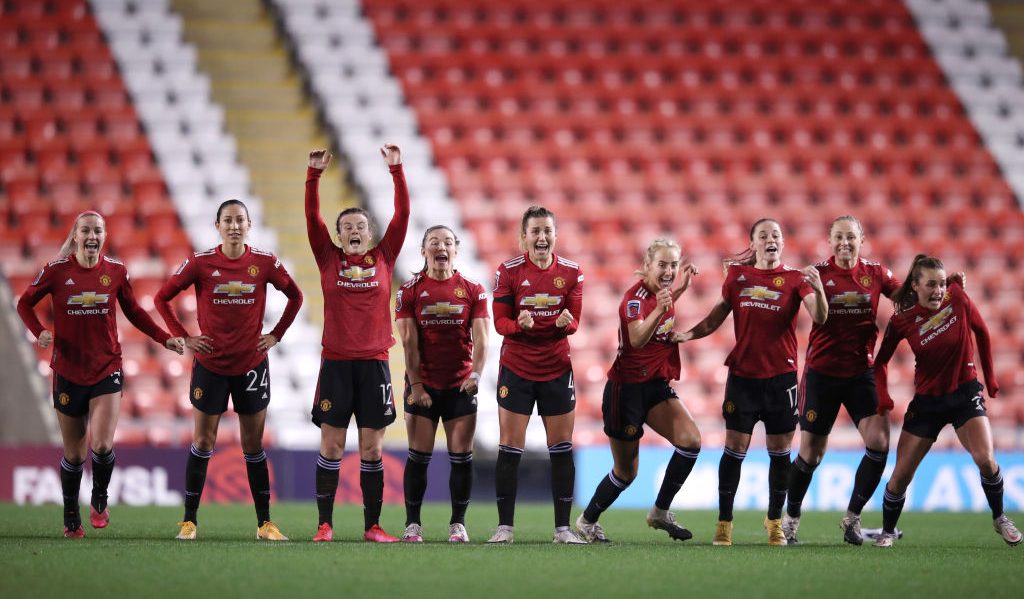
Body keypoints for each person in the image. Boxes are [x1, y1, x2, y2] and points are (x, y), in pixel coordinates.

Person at [16, 210, 185, 538]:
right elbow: (24, 304)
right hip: (68, 370)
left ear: (104, 236)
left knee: (104, 445)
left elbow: (135, 312)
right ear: (76, 236)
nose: (92, 236)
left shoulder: (116, 271)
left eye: (97, 231)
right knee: (74, 454)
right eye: (86, 231)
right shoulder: (55, 271)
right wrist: (39, 332)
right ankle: (70, 516)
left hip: (106, 368)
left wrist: (165, 339)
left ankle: (99, 497)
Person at [155, 199, 303, 541]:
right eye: (228, 220)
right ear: (217, 225)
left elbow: (295, 296)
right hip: (211, 365)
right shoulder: (201, 262)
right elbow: (161, 298)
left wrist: (276, 335)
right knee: (203, 440)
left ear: (249, 225)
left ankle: (265, 524)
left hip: (251, 365)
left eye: (240, 220)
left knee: (252, 443)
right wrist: (184, 337)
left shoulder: (264, 262)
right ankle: (189, 521)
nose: (234, 226)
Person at [678, 218, 827, 546]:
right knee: (734, 449)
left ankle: (774, 522)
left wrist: (818, 289)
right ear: (754, 243)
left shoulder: (796, 279)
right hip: (743, 377)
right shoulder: (737, 277)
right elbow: (717, 316)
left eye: (776, 234)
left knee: (780, 452)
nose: (770, 239)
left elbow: (819, 316)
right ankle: (724, 523)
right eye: (763, 235)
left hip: (781, 379)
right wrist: (688, 334)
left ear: (782, 243)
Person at [872, 255, 1021, 548]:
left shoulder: (958, 299)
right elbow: (879, 363)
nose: (939, 290)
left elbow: (982, 332)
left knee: (986, 460)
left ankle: (1000, 517)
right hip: (927, 402)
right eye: (931, 284)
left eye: (942, 284)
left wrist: (990, 378)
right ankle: (888, 531)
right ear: (915, 286)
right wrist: (884, 396)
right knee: (900, 476)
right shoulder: (902, 320)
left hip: (965, 394)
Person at [306, 145, 409, 543]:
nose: (353, 230)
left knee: (372, 450)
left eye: (360, 226)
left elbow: (402, 215)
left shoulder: (385, 256)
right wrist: (313, 175)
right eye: (346, 226)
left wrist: (396, 170)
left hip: (374, 365)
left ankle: (372, 526)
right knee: (332, 446)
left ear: (370, 233)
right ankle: (324, 525)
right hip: (336, 364)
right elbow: (311, 217)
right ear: (338, 235)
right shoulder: (327, 258)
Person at [781, 215, 901, 545]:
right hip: (822, 374)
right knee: (811, 455)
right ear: (830, 241)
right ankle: (790, 519)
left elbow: (907, 296)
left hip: (862, 373)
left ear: (862, 239)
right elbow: (808, 310)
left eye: (851, 236)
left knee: (879, 444)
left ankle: (852, 518)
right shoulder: (817, 274)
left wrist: (944, 290)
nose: (845, 242)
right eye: (839, 237)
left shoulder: (876, 273)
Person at [575, 239, 701, 543]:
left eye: (673, 265)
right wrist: (661, 308)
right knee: (626, 473)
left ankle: (660, 511)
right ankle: (587, 521)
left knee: (691, 441)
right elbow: (637, 339)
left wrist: (679, 291)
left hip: (656, 387)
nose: (669, 271)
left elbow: (661, 310)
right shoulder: (634, 299)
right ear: (647, 266)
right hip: (626, 391)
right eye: (662, 264)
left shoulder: (663, 295)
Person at [487, 205, 586, 545]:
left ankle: (563, 530)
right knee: (510, 448)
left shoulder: (572, 272)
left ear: (555, 235)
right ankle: (505, 528)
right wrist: (519, 325)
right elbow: (500, 323)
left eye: (547, 231)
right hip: (517, 369)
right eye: (535, 231)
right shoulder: (508, 271)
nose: (542, 237)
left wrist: (567, 324)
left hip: (556, 369)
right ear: (524, 237)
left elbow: (575, 321)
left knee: (561, 448)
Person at [396, 225, 490, 543]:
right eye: (434, 242)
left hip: (459, 386)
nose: (441, 247)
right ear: (423, 251)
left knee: (462, 457)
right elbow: (408, 343)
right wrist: (417, 386)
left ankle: (457, 525)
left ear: (456, 250)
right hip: (422, 384)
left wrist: (475, 375)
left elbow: (482, 339)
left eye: (448, 242)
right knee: (418, 456)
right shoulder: (409, 291)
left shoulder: (473, 290)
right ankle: (413, 525)